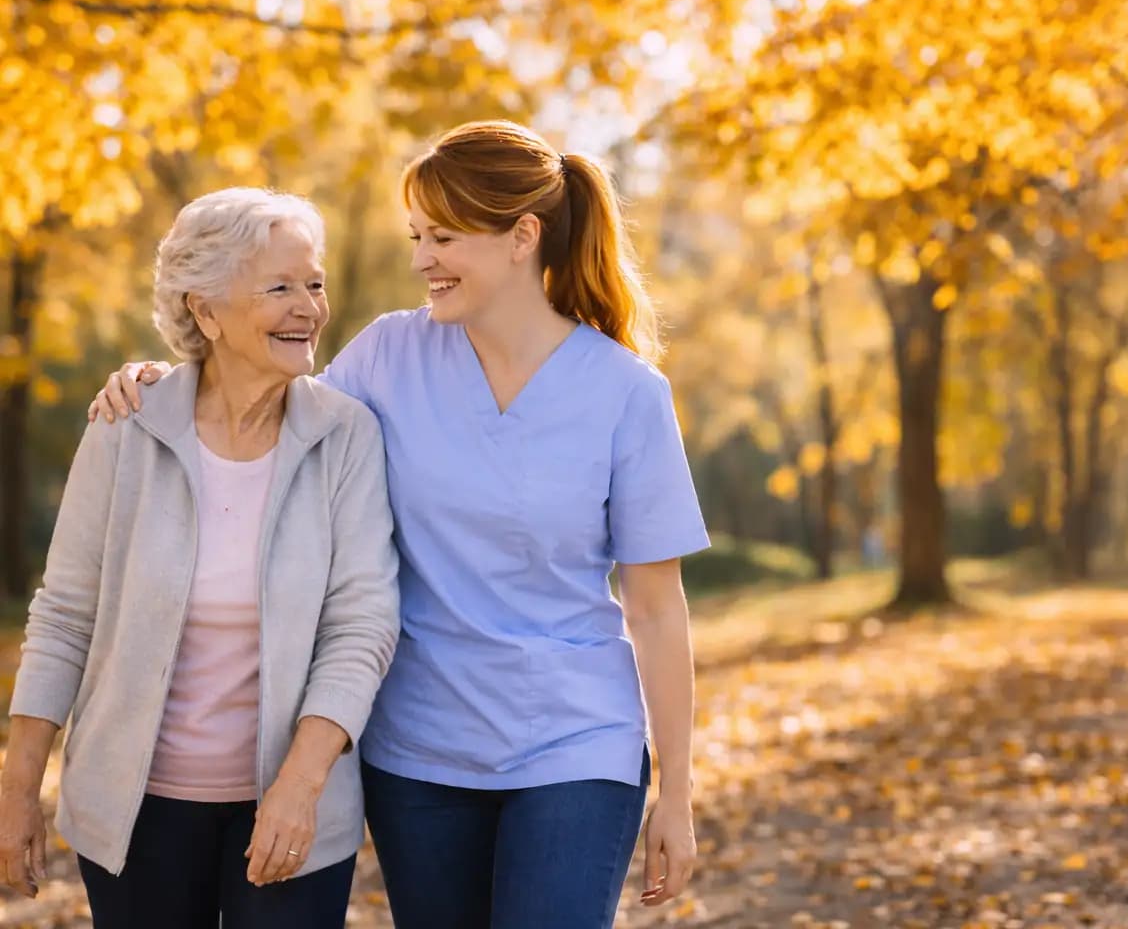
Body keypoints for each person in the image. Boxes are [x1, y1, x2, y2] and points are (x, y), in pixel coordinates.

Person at [90, 121, 710, 928]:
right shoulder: (386, 356)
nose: (422, 259)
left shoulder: (627, 393)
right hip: (419, 751)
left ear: (522, 237)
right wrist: (163, 380)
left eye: (444, 237)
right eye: (417, 235)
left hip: (576, 740)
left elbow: (657, 609)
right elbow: (270, 411)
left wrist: (678, 792)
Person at [0, 188, 400, 929]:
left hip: (293, 804)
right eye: (278, 287)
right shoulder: (126, 425)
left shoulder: (346, 436)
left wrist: (300, 785)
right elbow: (64, 617)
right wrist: (18, 789)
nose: (308, 306)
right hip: (135, 811)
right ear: (205, 312)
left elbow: (362, 624)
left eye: (313, 283)